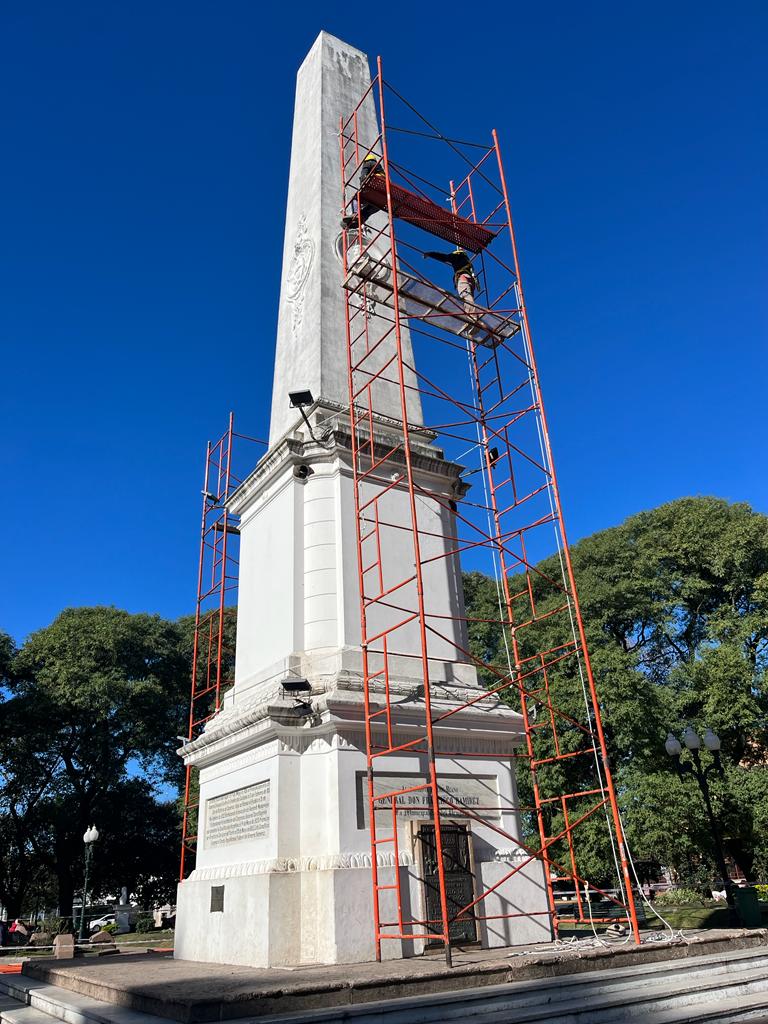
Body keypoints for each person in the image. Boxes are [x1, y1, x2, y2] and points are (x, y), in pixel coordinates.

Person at [423, 247, 479, 316]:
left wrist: (430, 254)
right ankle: (473, 314)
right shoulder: (467, 260)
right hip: (470, 280)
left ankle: (472, 315)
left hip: (463, 277)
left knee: (465, 296)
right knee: (469, 297)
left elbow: (444, 257)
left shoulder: (457, 255)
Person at [341, 154, 383, 230]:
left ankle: (355, 214)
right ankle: (360, 219)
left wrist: (362, 187)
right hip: (382, 200)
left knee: (355, 198)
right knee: (367, 210)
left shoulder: (368, 163)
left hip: (374, 189)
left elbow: (363, 176)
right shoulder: (381, 170)